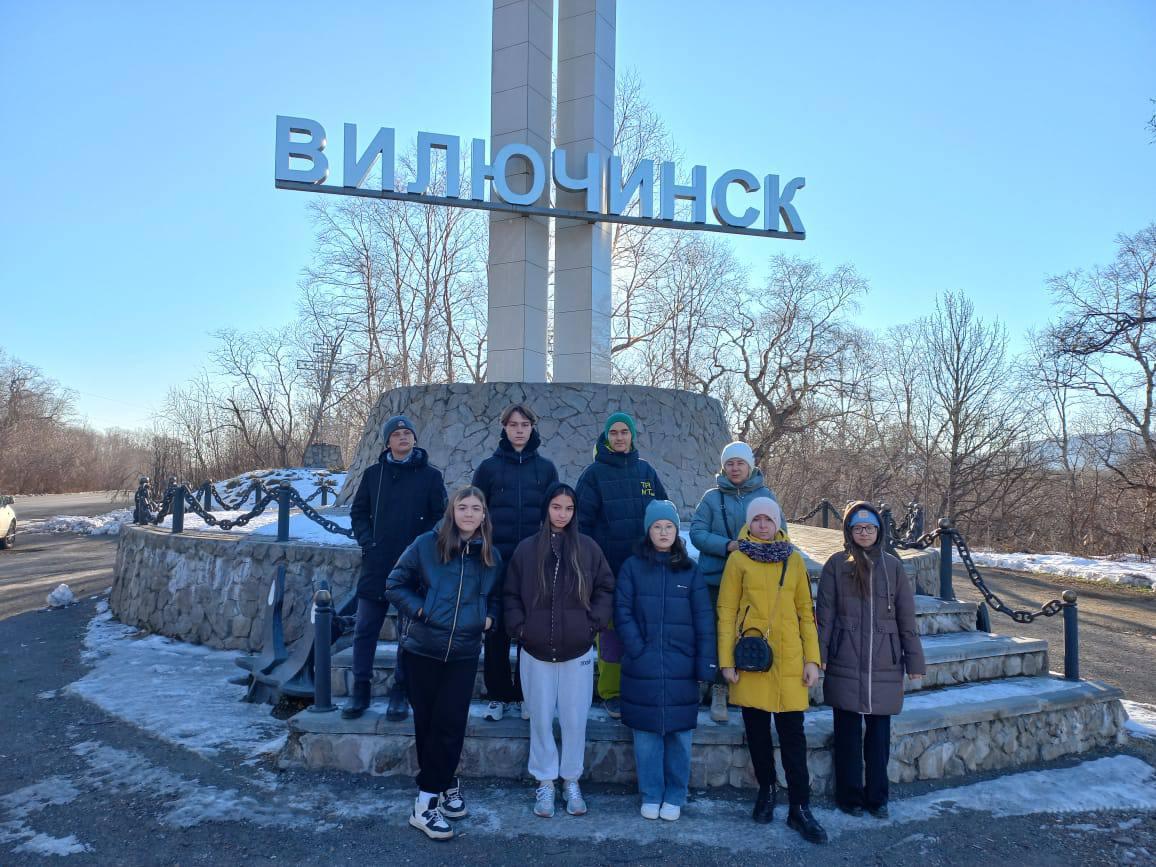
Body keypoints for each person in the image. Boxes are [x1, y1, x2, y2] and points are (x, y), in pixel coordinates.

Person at [385, 486, 503, 840]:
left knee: (450, 723)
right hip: (423, 649)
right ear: (452, 512)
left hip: (464, 653)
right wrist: (422, 609)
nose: (469, 513)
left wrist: (489, 619)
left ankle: (432, 792)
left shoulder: (491, 557)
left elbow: (497, 599)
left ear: (484, 515)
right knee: (428, 722)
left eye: (476, 508)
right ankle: (431, 798)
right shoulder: (426, 545)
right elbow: (394, 584)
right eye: (462, 507)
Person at [717, 497, 828, 844]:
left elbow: (805, 613)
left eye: (769, 519)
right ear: (749, 523)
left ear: (778, 522)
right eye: (757, 519)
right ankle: (766, 790)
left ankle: (800, 806)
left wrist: (813, 660)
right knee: (758, 734)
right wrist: (726, 661)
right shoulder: (737, 560)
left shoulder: (793, 560)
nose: (763, 525)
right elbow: (726, 611)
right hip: (752, 659)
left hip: (791, 661)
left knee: (794, 737)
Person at [504, 483, 615, 818]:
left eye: (568, 508)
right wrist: (521, 629)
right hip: (535, 651)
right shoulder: (526, 550)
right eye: (556, 507)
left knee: (574, 719)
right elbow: (510, 594)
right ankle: (545, 782)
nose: (562, 514)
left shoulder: (588, 548)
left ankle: (571, 780)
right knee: (539, 718)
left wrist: (591, 624)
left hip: (577, 651)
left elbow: (606, 587)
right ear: (547, 509)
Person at [816, 501, 925, 819]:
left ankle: (877, 797)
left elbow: (907, 618)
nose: (864, 533)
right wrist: (819, 655)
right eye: (858, 528)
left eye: (870, 527)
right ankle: (848, 797)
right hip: (845, 658)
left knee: (878, 738)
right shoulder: (836, 565)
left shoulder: (893, 567)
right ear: (849, 532)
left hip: (884, 662)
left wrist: (914, 662)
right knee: (847, 735)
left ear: (879, 531)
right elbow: (825, 616)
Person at [615, 500, 717, 821]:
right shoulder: (632, 567)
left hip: (681, 667)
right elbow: (622, 611)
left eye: (669, 527)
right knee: (646, 736)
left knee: (679, 737)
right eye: (657, 527)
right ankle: (651, 792)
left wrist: (704, 665)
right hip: (642, 666)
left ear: (677, 531)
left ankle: (675, 793)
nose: (663, 532)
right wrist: (637, 649)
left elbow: (704, 621)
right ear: (649, 531)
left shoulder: (690, 570)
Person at [345, 415, 446, 722]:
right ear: (388, 441)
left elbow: (439, 517)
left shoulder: (430, 476)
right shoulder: (373, 474)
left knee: (408, 633)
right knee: (364, 630)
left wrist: (422, 549)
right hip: (377, 564)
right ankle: (360, 689)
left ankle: (400, 691)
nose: (403, 437)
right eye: (397, 434)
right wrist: (367, 541)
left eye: (407, 433)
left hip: (413, 568)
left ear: (414, 439)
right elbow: (359, 512)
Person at [575, 411, 667, 719]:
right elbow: (582, 525)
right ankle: (611, 692)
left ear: (632, 436)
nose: (618, 437)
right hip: (609, 570)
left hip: (644, 569)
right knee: (611, 634)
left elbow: (663, 514)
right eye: (613, 432)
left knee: (643, 629)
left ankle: (641, 684)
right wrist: (591, 566)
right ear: (606, 437)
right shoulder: (593, 475)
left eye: (623, 432)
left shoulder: (646, 472)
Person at [472, 403, 559, 722]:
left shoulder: (546, 469)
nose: (519, 430)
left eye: (524, 424)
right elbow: (475, 510)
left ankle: (525, 694)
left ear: (532, 428)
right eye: (512, 424)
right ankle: (497, 694)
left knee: (528, 630)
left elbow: (554, 515)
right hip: (495, 561)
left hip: (533, 563)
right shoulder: (488, 468)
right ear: (504, 428)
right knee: (495, 630)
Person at [689, 441, 784, 722]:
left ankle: (722, 686)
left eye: (740, 463)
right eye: (729, 463)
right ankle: (703, 679)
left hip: (751, 581)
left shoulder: (764, 495)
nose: (734, 468)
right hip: (715, 578)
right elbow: (697, 531)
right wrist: (727, 545)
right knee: (711, 631)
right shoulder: (711, 498)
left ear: (749, 465)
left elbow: (780, 532)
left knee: (738, 632)